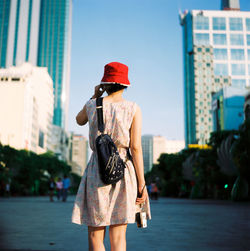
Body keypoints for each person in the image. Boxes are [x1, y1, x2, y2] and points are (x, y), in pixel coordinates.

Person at [71, 62, 151, 251]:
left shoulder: (92, 105)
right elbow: (136, 147)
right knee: (118, 237)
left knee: (95, 235)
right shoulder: (133, 108)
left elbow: (79, 120)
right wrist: (142, 184)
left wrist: (95, 96)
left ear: (104, 83)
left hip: (97, 170)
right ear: (125, 84)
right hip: (123, 170)